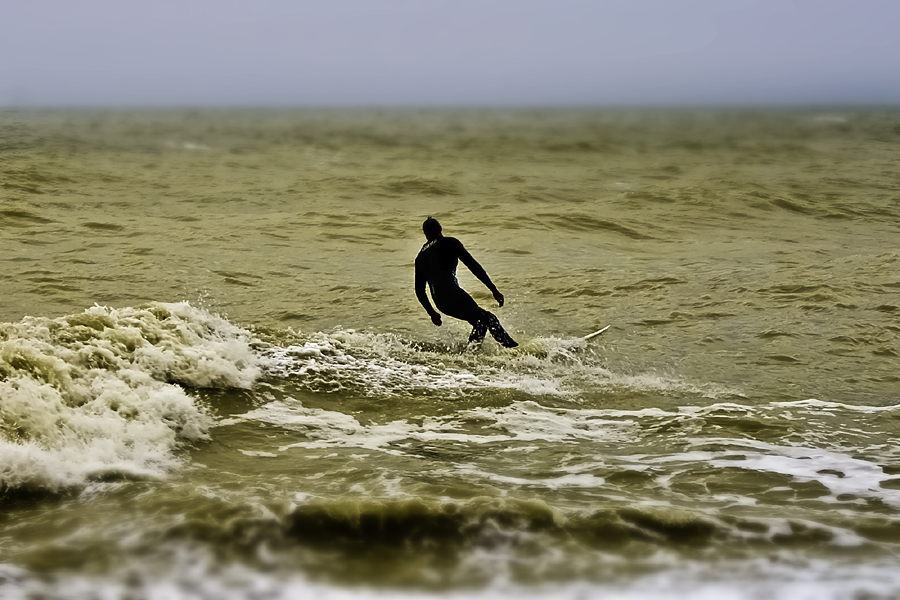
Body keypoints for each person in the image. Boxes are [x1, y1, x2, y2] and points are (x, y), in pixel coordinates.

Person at [415, 217, 518, 348]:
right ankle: (473, 356)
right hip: (452, 293)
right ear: (440, 228)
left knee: (486, 319)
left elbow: (419, 291)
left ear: (425, 234)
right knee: (482, 321)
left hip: (440, 302)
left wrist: (432, 313)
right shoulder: (449, 242)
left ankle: (509, 349)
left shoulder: (420, 258)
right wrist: (493, 289)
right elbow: (473, 265)